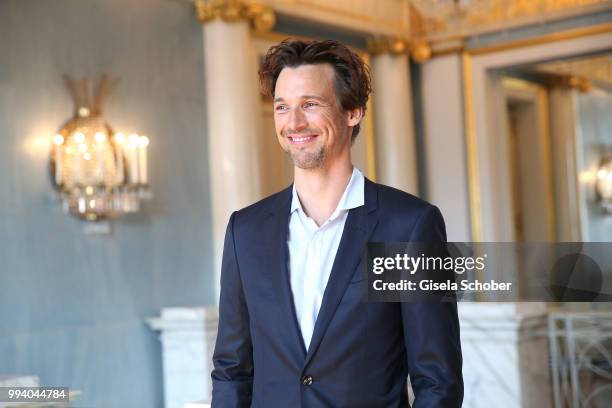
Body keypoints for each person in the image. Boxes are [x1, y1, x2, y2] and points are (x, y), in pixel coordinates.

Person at [211, 39, 463, 407]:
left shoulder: (410, 226)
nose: (294, 123)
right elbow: (232, 369)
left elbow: (437, 380)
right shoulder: (244, 231)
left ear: (353, 112)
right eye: (282, 107)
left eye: (310, 105)